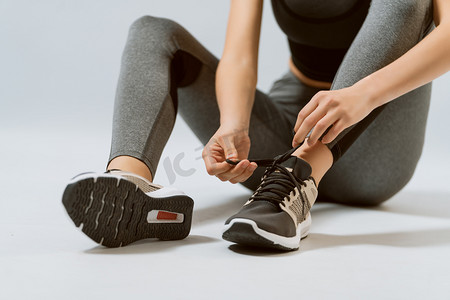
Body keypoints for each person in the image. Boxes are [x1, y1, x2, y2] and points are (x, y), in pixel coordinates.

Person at [63, 0, 447, 250]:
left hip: (374, 152)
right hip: (284, 144)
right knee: (153, 30)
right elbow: (239, 57)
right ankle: (130, 183)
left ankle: (298, 182)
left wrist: (361, 95)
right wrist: (233, 124)